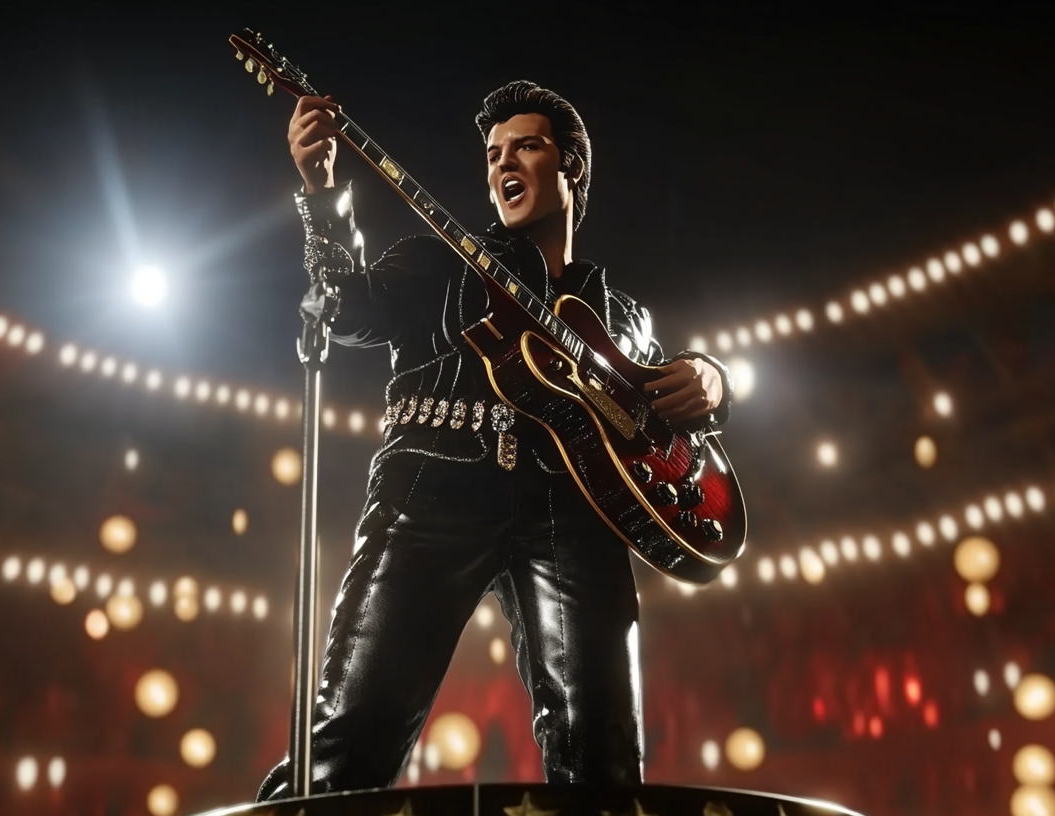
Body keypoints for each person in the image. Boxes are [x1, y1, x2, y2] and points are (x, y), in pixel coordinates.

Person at [258, 80, 733, 798]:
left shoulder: (623, 315)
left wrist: (712, 378)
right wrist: (324, 194)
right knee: (351, 738)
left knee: (603, 755)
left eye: (527, 146)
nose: (503, 163)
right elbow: (344, 307)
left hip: (574, 512)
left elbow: (661, 402)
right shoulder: (434, 262)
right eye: (492, 154)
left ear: (571, 167)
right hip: (430, 495)